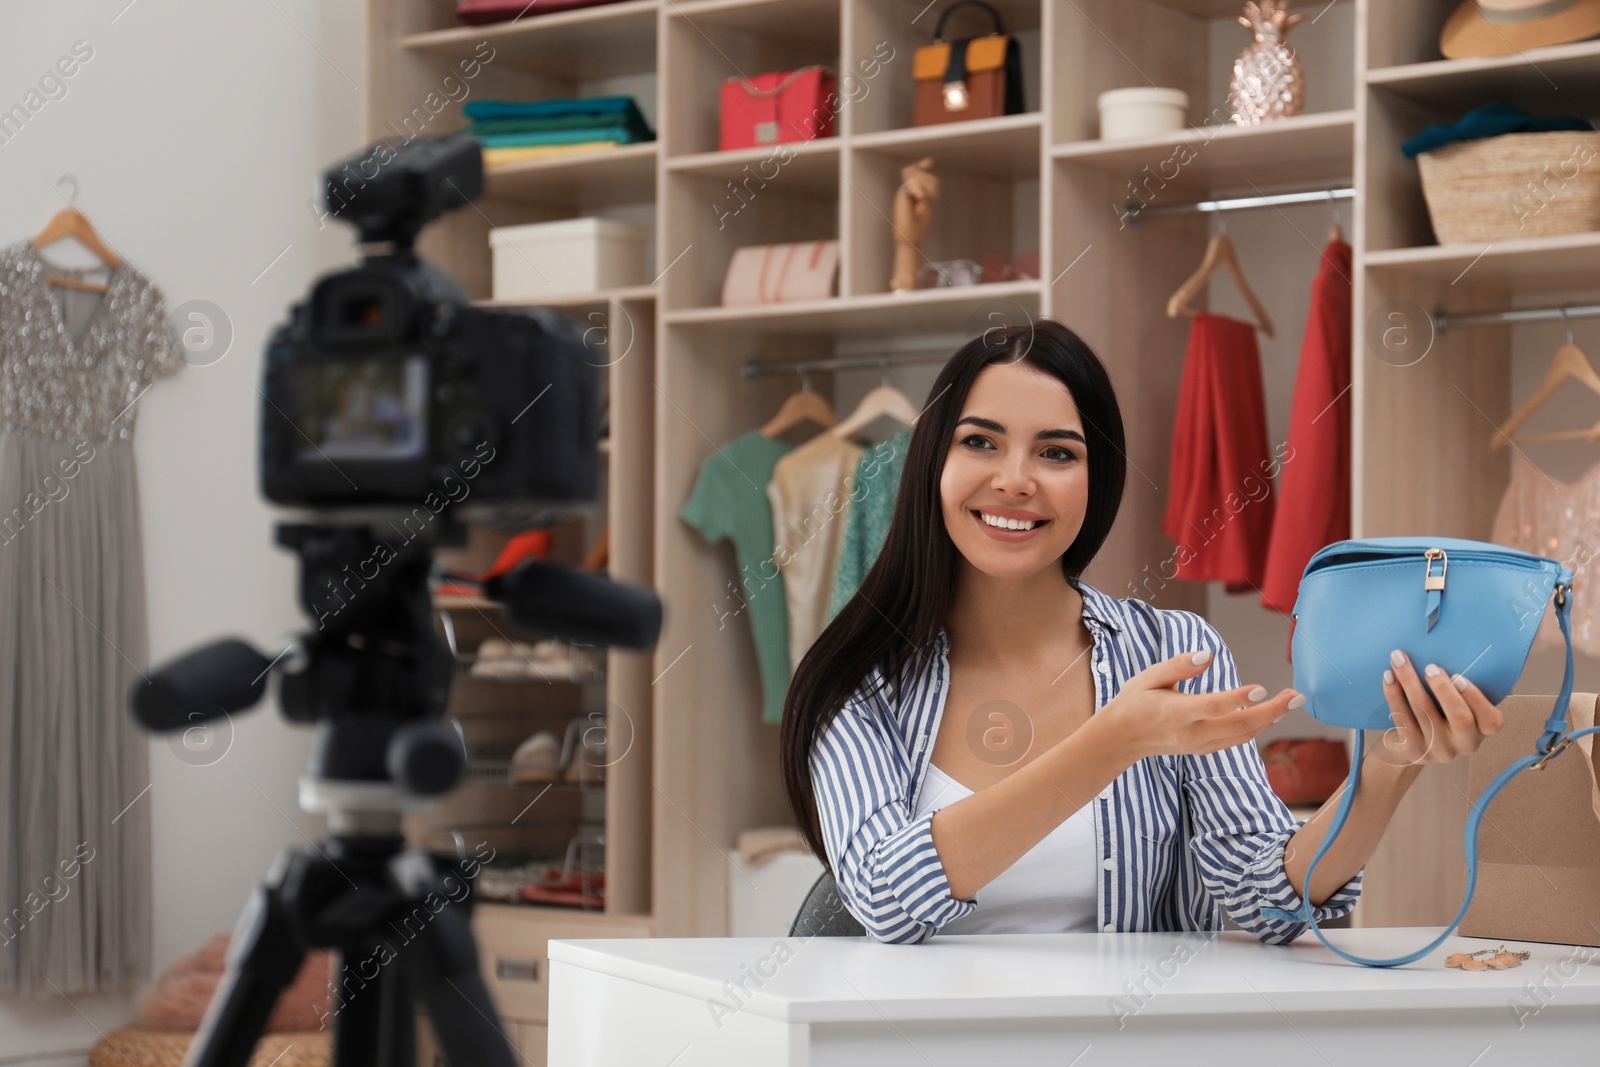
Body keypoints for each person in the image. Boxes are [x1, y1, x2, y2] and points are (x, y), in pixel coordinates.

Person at [779, 319, 1504, 944]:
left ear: (1096, 482)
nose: (1016, 479)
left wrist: (1384, 769)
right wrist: (1111, 741)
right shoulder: (861, 676)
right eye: (981, 442)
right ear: (933, 463)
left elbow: (1268, 900)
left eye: (1057, 452)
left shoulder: (1172, 652)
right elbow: (882, 896)